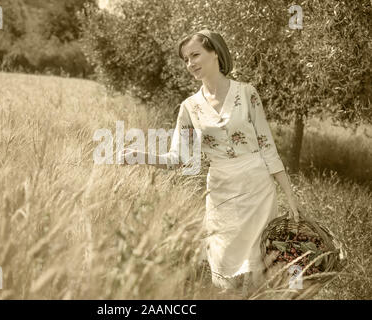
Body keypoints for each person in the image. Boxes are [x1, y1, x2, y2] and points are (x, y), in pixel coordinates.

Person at [120, 29, 302, 296]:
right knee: (225, 271)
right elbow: (177, 158)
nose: (190, 63)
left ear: (215, 51)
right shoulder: (189, 107)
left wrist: (290, 197)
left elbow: (267, 146)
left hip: (258, 190)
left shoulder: (247, 93)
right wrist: (141, 156)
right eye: (185, 59)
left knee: (259, 269)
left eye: (195, 54)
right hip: (221, 193)